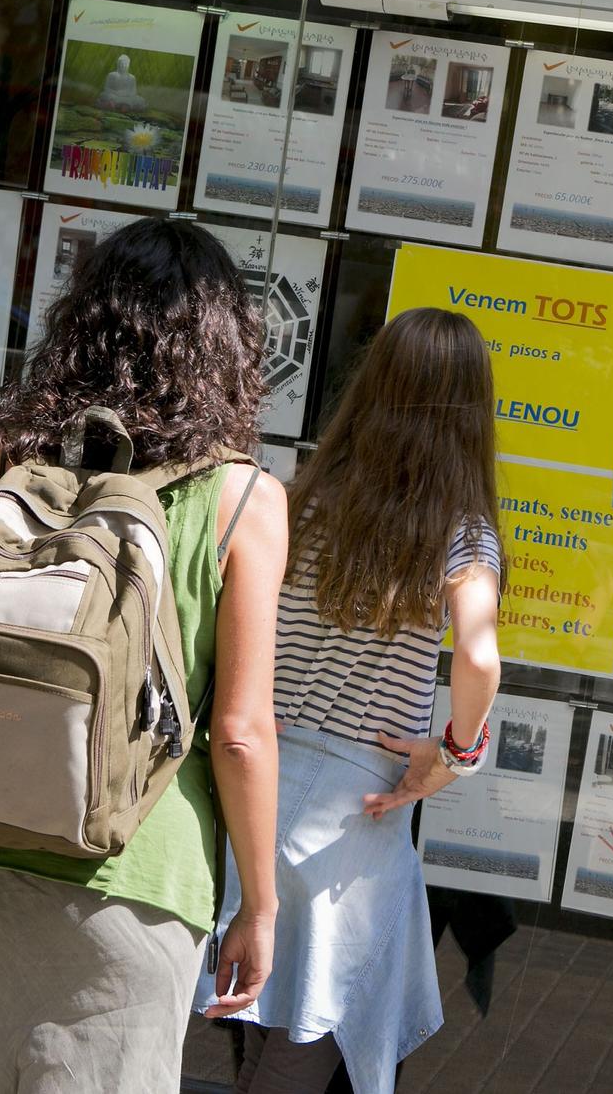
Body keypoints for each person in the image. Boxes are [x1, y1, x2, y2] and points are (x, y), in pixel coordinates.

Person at [0, 218, 288, 1092]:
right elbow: (242, 733)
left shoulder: (9, 453)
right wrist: (261, 902)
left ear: (81, 323)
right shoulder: (245, 498)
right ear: (223, 348)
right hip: (135, 885)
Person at [204, 307, 504, 1094]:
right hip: (352, 827)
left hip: (253, 791)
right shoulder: (461, 533)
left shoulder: (300, 497)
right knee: (293, 1061)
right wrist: (455, 755)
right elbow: (477, 652)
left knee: (249, 1035)